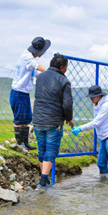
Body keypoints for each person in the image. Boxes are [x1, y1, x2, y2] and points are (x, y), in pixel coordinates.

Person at [72, 85, 108, 180]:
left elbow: (96, 122)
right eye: (90, 96)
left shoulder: (106, 105)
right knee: (101, 163)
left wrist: (80, 128)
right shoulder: (96, 104)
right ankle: (105, 183)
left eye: (93, 96)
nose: (91, 98)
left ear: (99, 95)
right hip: (103, 136)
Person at [33, 54, 74, 190]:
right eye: (66, 67)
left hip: (38, 119)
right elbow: (67, 104)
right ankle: (43, 182)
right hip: (53, 121)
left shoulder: (40, 77)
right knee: (51, 150)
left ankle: (43, 180)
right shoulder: (64, 80)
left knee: (42, 149)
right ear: (62, 67)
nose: (66, 70)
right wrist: (69, 119)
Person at [10, 37, 51, 151]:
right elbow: (37, 66)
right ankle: (20, 143)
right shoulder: (27, 57)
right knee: (19, 119)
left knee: (27, 118)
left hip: (24, 92)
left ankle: (25, 142)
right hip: (18, 92)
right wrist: (51, 72)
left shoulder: (29, 57)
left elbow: (36, 72)